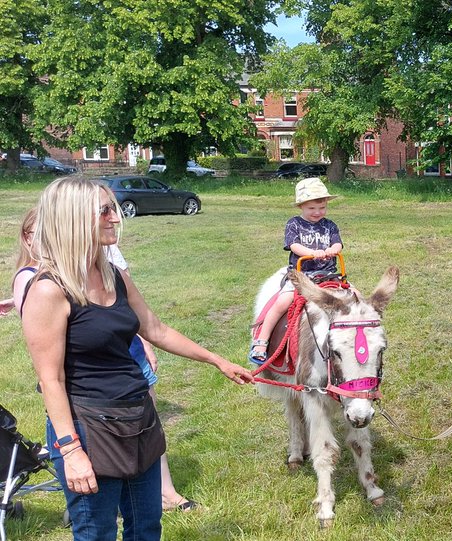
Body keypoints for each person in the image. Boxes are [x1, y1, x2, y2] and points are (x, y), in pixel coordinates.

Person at [21, 177, 253, 541]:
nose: (116, 217)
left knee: (146, 528)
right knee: (96, 534)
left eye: (113, 209)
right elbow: (51, 380)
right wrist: (71, 451)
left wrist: (217, 360)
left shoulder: (114, 275)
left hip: (138, 417)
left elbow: (156, 330)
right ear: (73, 218)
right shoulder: (49, 290)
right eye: (105, 210)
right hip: (88, 427)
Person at [105, 245, 200, 513]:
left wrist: (143, 338)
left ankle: (166, 493)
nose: (114, 218)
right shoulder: (50, 272)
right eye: (104, 210)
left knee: (150, 426)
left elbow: (130, 308)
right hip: (96, 378)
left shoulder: (112, 259)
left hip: (132, 353)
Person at [250, 177, 343, 363]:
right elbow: (293, 245)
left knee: (353, 297)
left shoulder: (330, 225)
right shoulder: (294, 224)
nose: (318, 212)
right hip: (302, 275)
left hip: (328, 275)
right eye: (312, 208)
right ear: (301, 206)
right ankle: (262, 340)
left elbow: (337, 243)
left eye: (322, 207)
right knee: (282, 302)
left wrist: (334, 249)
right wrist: (311, 252)